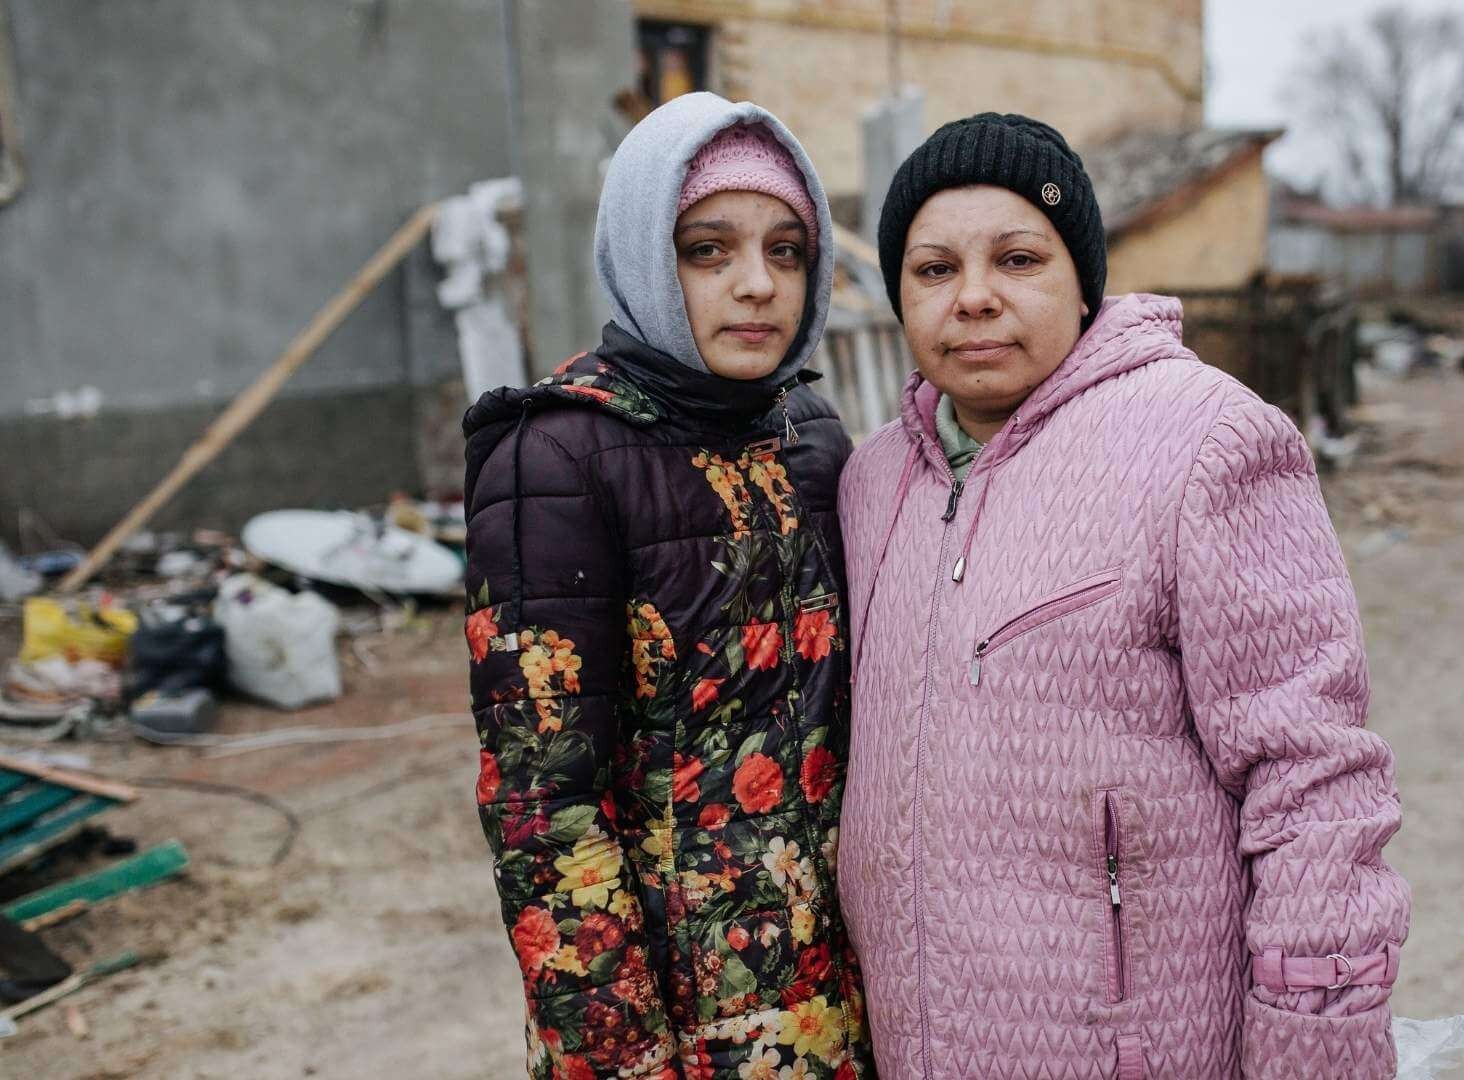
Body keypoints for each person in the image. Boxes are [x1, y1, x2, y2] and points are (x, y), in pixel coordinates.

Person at [836, 113, 1410, 1078]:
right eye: (934, 270)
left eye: (1017, 259)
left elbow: (1314, 784)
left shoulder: (1203, 444)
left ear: (1082, 277)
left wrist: (1317, 1051)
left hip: (1136, 1051)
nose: (973, 298)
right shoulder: (871, 480)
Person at [462, 92, 871, 1080]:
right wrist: (618, 1057)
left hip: (843, 998)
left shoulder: (810, 435)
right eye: (707, 249)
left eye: (785, 251)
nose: (757, 285)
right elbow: (543, 806)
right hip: (684, 1024)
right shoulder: (553, 453)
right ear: (645, 251)